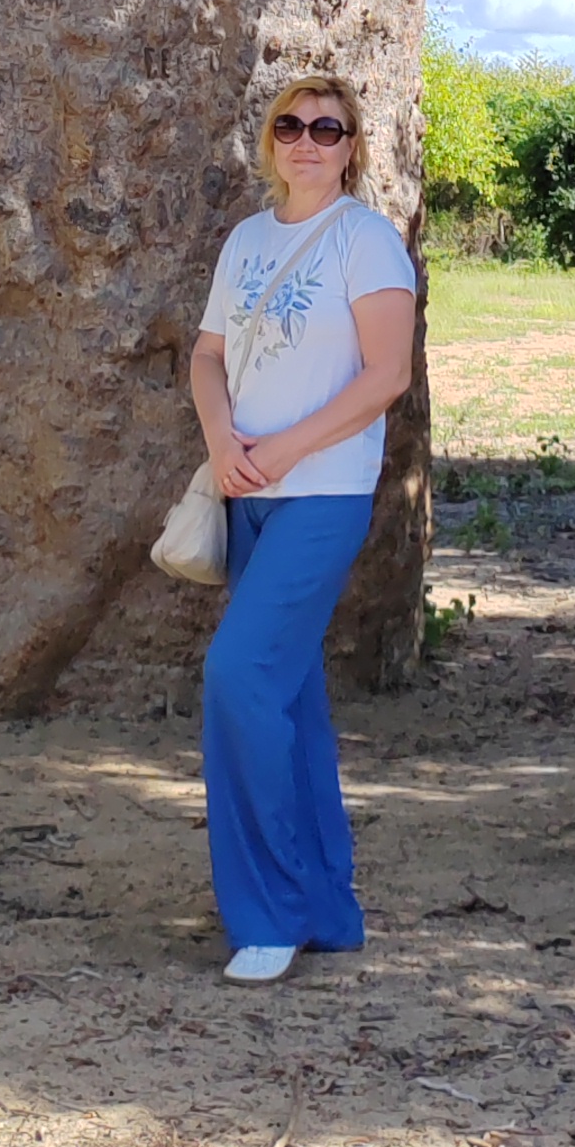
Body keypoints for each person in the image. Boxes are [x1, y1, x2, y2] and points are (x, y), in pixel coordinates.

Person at [189, 70, 418, 986]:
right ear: (271, 140)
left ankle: (269, 913)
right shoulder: (246, 241)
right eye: (292, 126)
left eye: (329, 129)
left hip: (321, 493)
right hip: (245, 490)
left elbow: (385, 375)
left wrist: (282, 450)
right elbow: (209, 356)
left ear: (353, 147)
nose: (308, 142)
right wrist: (219, 437)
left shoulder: (366, 243)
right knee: (287, 697)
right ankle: (327, 909)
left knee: (237, 676)